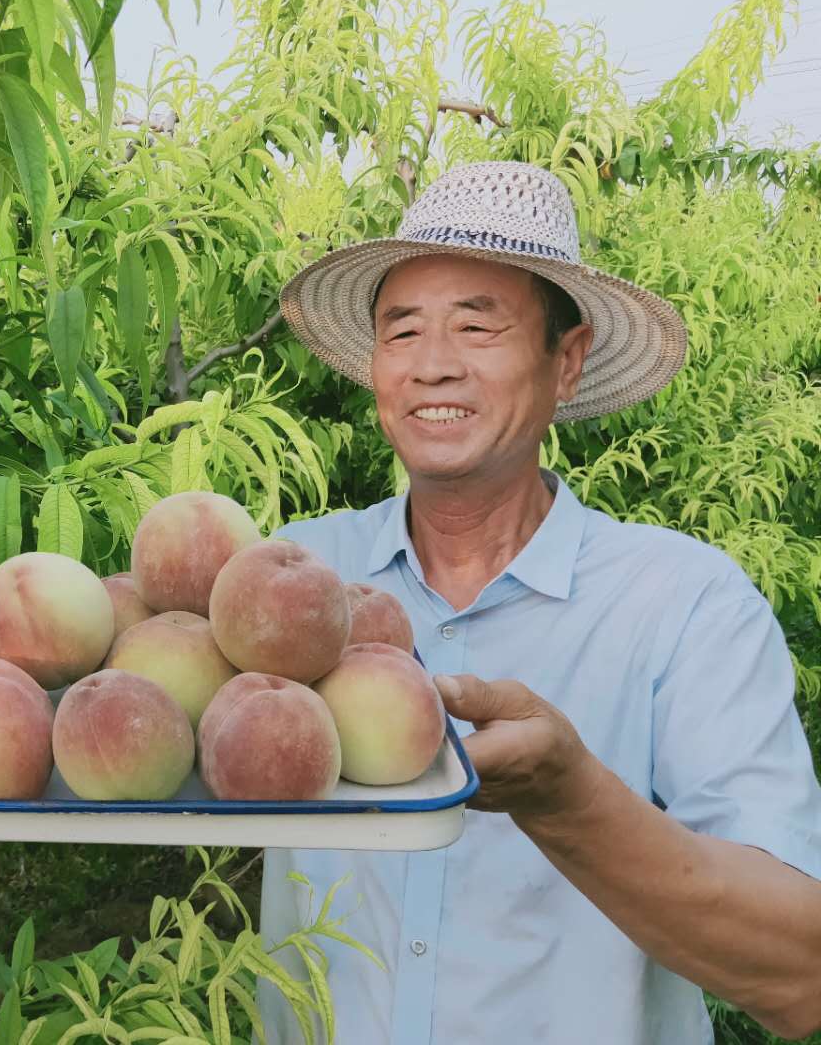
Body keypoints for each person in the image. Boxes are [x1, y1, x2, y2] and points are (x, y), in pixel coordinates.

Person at [257, 161, 821, 1044]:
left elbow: (803, 977)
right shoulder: (293, 581)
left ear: (567, 361)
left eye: (477, 326)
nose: (433, 366)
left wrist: (571, 801)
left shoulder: (682, 604)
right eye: (401, 332)